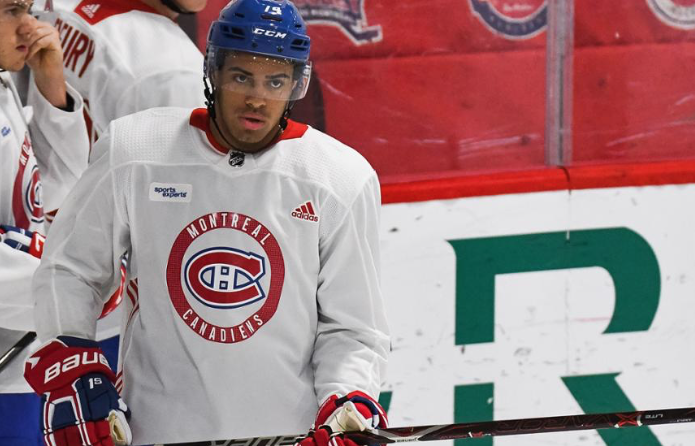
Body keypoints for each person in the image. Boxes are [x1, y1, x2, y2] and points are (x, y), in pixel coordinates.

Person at [23, 0, 390, 445]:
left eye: (275, 81)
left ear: (296, 85)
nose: (257, 97)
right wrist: (73, 356)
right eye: (241, 77)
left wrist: (348, 397)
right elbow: (71, 268)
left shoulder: (339, 178)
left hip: (290, 434)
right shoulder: (136, 150)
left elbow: (354, 327)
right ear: (212, 75)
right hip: (156, 430)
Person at [0, 1, 89, 445]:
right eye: (11, 10)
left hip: (19, 358)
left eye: (28, 7)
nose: (31, 26)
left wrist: (51, 84)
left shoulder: (2, 82)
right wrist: (69, 286)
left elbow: (51, 194)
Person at [36, 0, 207, 146]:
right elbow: (185, 179)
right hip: (82, 178)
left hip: (46, 172)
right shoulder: (177, 70)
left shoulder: (52, 6)